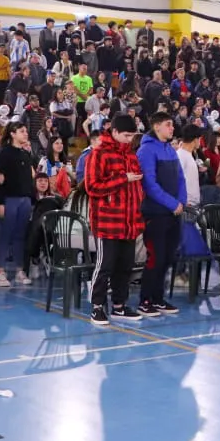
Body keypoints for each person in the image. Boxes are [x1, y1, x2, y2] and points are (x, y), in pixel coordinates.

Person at [85, 114, 146, 325]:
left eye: (132, 136)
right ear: (115, 132)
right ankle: (96, 306)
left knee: (125, 266)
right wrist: (123, 179)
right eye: (126, 135)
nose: (130, 140)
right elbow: (92, 187)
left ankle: (119, 305)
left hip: (129, 222)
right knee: (105, 265)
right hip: (107, 222)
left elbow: (137, 187)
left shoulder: (131, 155)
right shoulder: (99, 154)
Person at [136, 112, 183, 316]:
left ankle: (158, 298)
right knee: (155, 257)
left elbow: (180, 178)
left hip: (173, 213)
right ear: (156, 127)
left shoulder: (170, 149)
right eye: (168, 124)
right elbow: (149, 184)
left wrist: (180, 201)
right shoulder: (146, 151)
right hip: (155, 213)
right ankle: (145, 300)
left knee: (168, 257)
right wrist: (172, 203)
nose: (172, 128)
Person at [0, 121, 36, 288]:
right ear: (12, 134)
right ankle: (1, 271)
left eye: (26, 131)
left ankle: (19, 270)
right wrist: (0, 202)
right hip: (9, 199)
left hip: (24, 200)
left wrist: (31, 200)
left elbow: (28, 179)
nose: (25, 134)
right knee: (5, 234)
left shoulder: (25, 154)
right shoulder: (5, 154)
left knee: (20, 236)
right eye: (22, 131)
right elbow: (0, 180)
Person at [174, 123, 202, 207]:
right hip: (187, 205)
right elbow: (176, 179)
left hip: (192, 203)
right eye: (199, 139)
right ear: (195, 139)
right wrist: (183, 201)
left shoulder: (188, 154)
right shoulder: (181, 155)